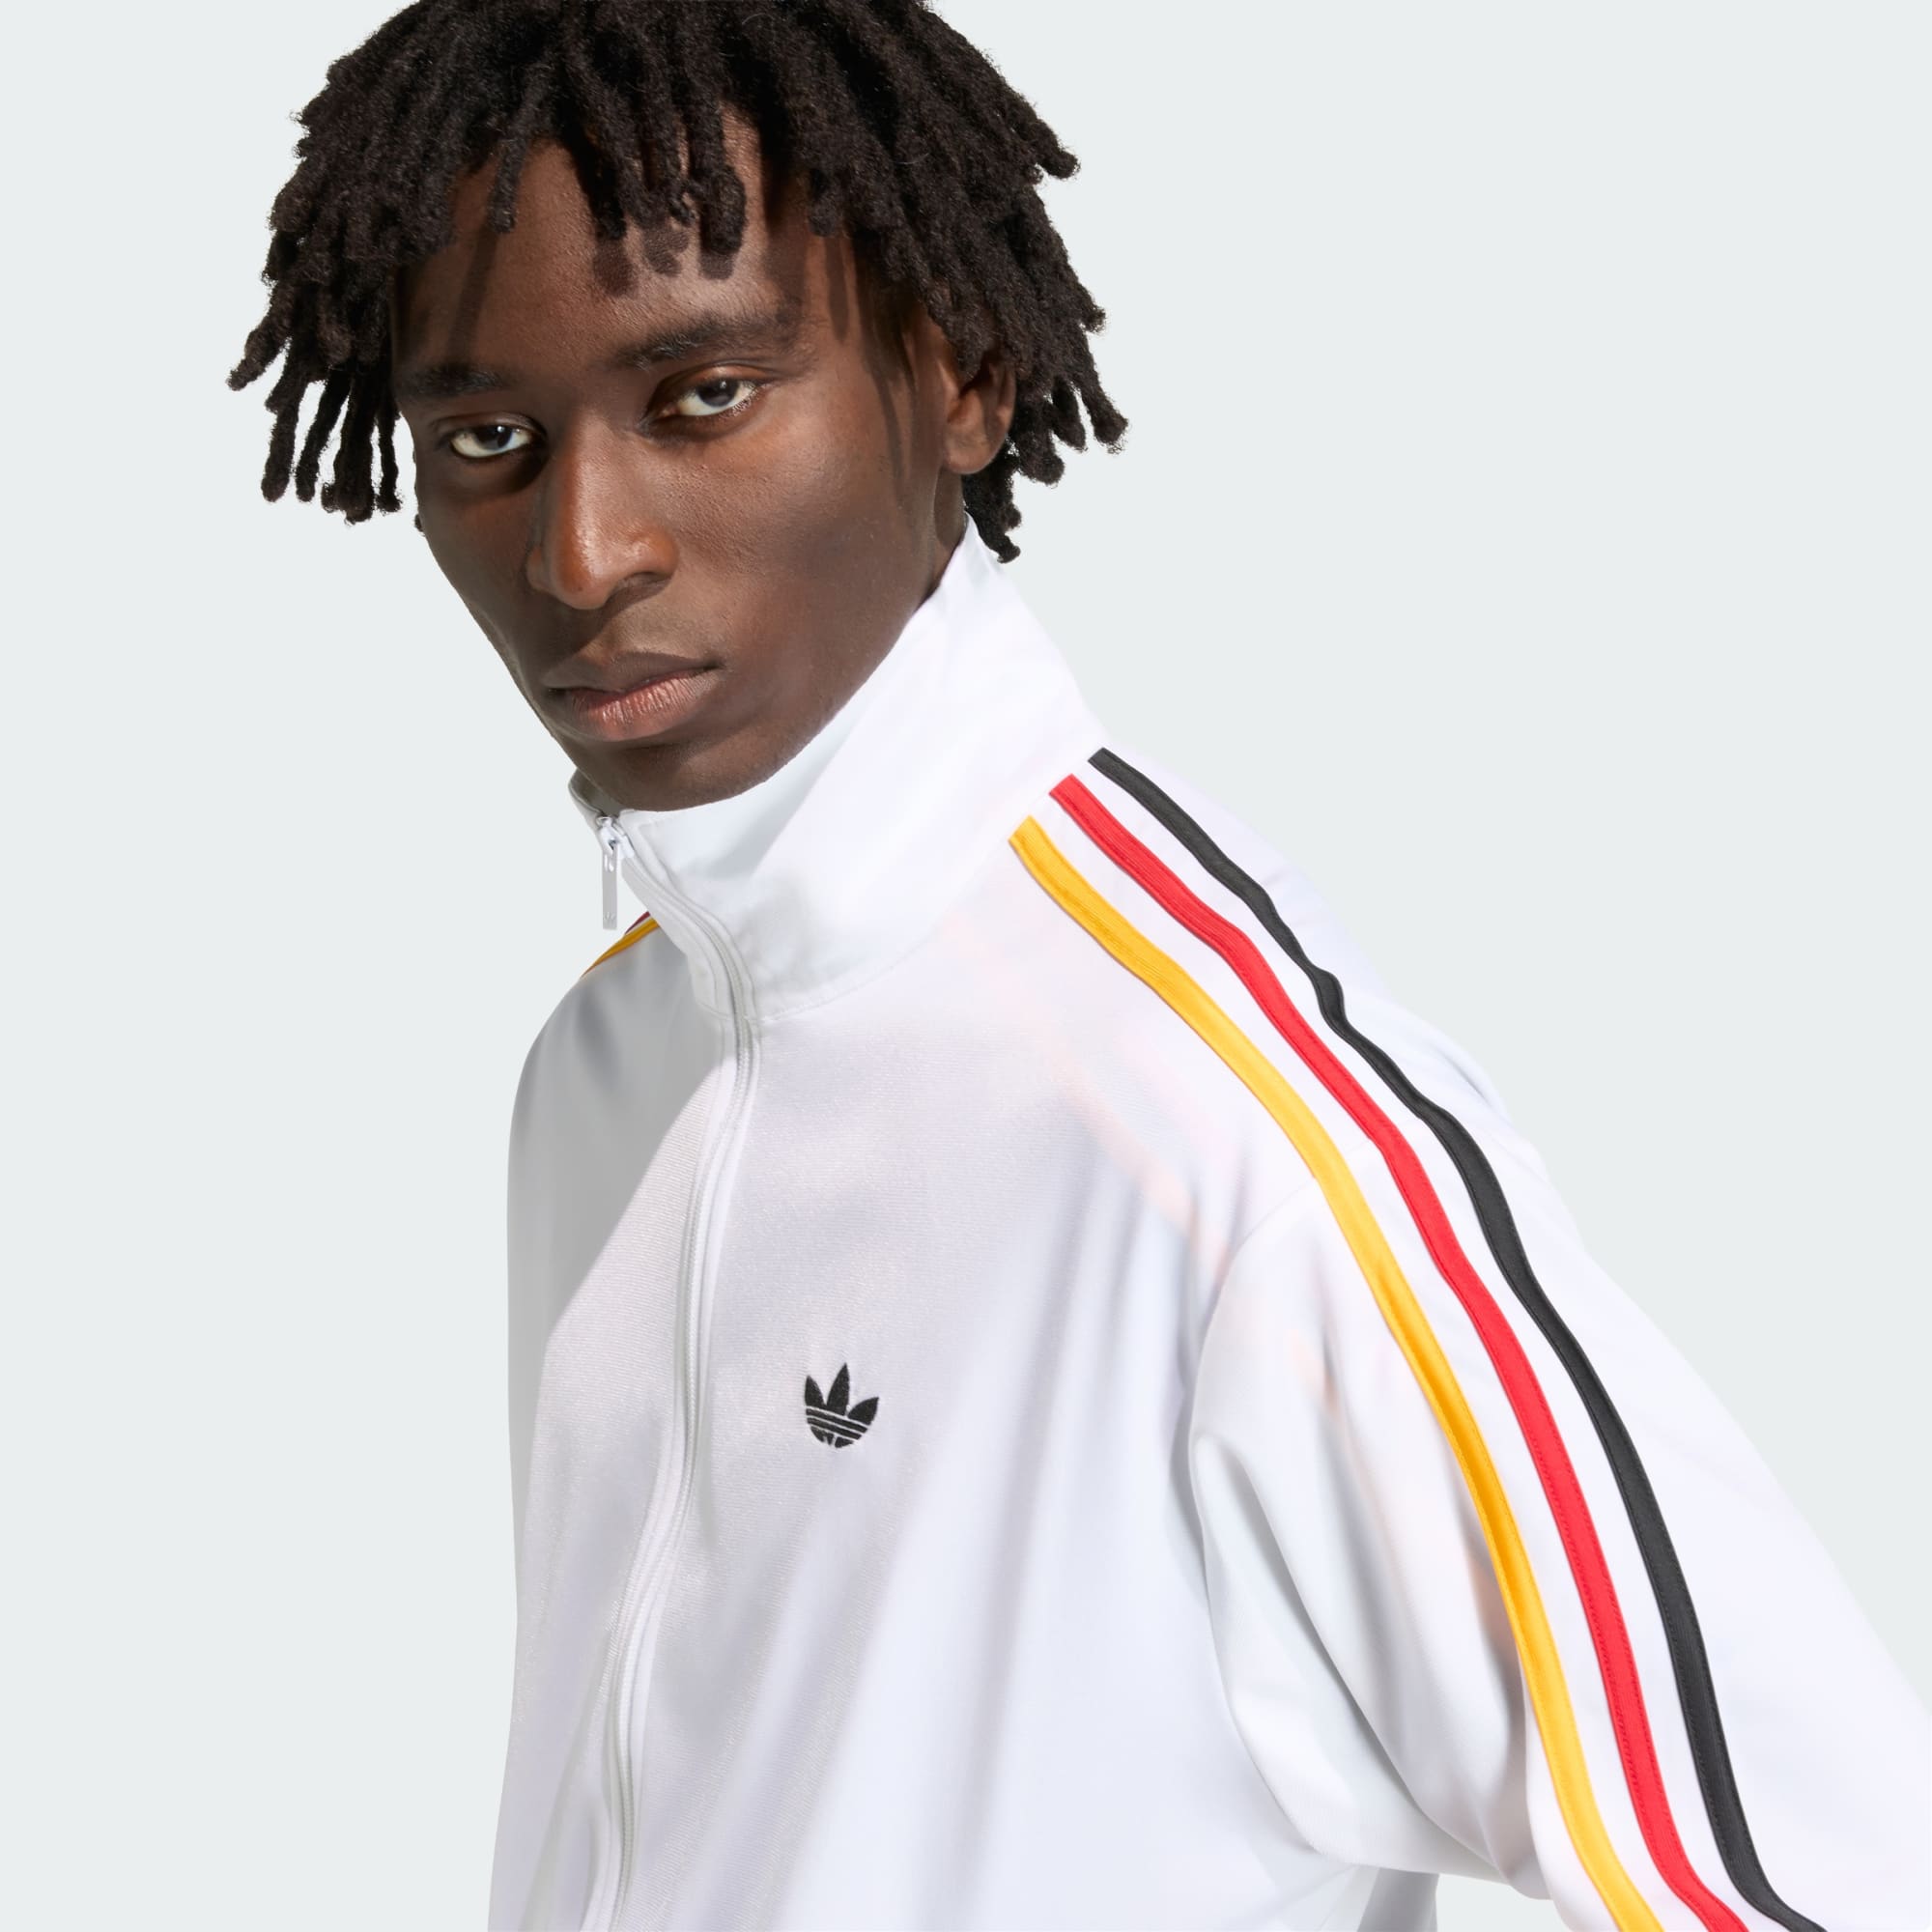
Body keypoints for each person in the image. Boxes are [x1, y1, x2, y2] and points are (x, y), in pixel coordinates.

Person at [228, 5, 1929, 1929]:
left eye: (702, 395)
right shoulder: (604, 1072)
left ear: (960, 368)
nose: (580, 549)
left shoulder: (1225, 1128)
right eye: (487, 441)